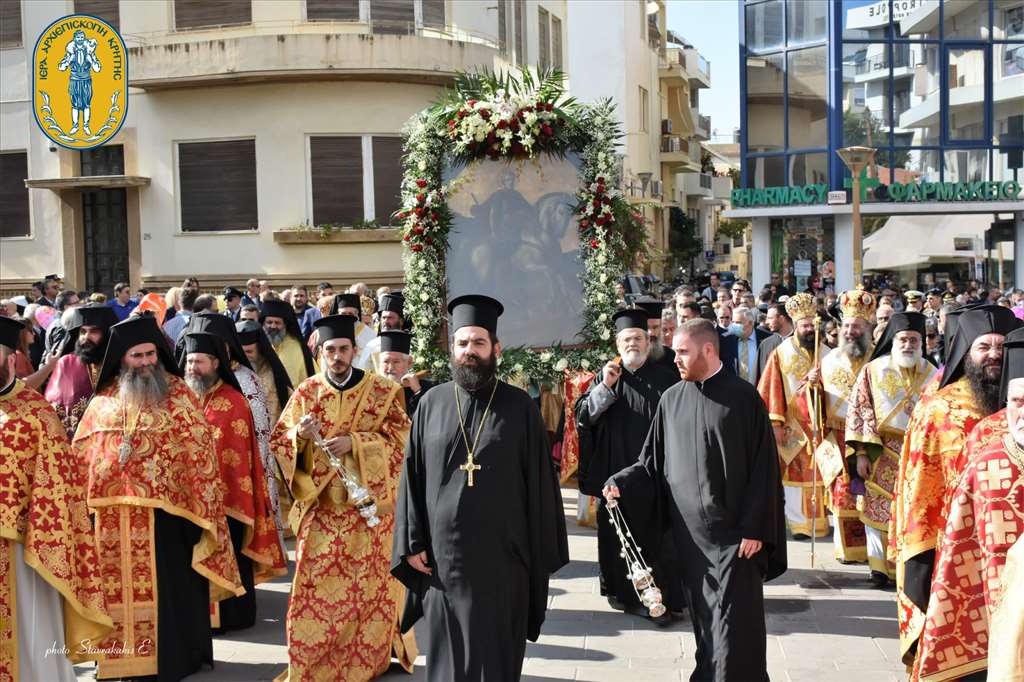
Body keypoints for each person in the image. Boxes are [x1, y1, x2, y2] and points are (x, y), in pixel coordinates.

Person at [391, 295, 569, 681]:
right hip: (443, 562)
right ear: (452, 348)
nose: (469, 351)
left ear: (495, 349)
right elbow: (411, 477)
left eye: (478, 342)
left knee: (496, 660)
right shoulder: (431, 403)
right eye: (462, 343)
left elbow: (541, 486)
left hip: (504, 563)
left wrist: (536, 555)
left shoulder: (520, 407)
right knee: (448, 663)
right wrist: (412, 541)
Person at [604, 318, 787, 681]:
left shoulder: (743, 398)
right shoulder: (672, 399)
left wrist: (755, 527)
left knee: (734, 630)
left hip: (736, 540)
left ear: (708, 349)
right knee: (706, 627)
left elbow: (764, 470)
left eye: (683, 352)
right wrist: (620, 481)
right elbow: (650, 462)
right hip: (690, 542)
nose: (676, 359)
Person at [72, 316, 243, 680]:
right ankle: (119, 660)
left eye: (151, 354)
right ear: (121, 358)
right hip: (111, 522)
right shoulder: (102, 401)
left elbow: (200, 453)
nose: (147, 362)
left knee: (172, 592)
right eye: (137, 356)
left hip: (171, 520)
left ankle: (176, 658)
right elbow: (82, 456)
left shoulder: (179, 396)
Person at [270, 314, 415, 678]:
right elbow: (280, 442)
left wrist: (357, 443)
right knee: (312, 592)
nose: (337, 356)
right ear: (320, 352)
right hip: (320, 509)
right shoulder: (306, 393)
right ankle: (312, 663)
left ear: (354, 351)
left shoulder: (381, 391)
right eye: (330, 350)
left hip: (368, 514)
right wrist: (300, 437)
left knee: (367, 592)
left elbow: (404, 442)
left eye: (343, 349)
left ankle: (364, 663)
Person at [890, 305, 1020, 666]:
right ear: (967, 352)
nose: (994, 355)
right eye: (984, 347)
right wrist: (921, 561)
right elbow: (920, 488)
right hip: (959, 551)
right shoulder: (940, 409)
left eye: (1001, 347)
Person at [0, 317, 113, 682]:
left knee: (29, 637)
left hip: (22, 552)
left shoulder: (36, 415)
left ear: (12, 359)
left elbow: (60, 490)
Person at [575, 307, 681, 622]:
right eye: (626, 340)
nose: (632, 344)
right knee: (619, 538)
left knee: (658, 536)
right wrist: (605, 387)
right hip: (614, 475)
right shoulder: (607, 376)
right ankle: (626, 595)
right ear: (618, 345)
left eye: (637, 338)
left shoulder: (666, 378)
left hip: (655, 474)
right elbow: (584, 417)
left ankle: (664, 596)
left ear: (648, 342)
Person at [182, 332, 286, 631]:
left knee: (233, 557)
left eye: (199, 362)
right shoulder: (183, 400)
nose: (192, 368)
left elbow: (238, 453)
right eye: (189, 362)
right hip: (191, 499)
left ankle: (235, 616)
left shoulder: (234, 401)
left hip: (229, 499)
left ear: (216, 363)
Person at [845, 312, 937, 587]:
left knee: (909, 510)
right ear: (893, 341)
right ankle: (877, 568)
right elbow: (861, 410)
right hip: (880, 449)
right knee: (875, 507)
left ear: (921, 343)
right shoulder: (873, 370)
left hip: (917, 452)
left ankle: (902, 567)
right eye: (903, 340)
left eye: (914, 340)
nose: (908, 345)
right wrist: (862, 453)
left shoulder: (933, 373)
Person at [757, 293, 830, 540]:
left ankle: (819, 523)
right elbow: (771, 388)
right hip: (793, 426)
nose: (809, 329)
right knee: (794, 475)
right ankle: (798, 524)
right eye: (804, 325)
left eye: (812, 325)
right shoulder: (781, 353)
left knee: (819, 474)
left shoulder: (827, 353)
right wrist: (775, 424)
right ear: (796, 325)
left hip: (821, 425)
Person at [816, 290, 875, 565]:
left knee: (870, 494)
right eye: (847, 326)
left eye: (857, 327)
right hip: (838, 437)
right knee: (842, 495)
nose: (851, 332)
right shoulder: (828, 360)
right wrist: (813, 387)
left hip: (871, 438)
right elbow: (813, 401)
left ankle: (873, 552)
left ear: (867, 328)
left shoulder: (878, 360)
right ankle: (847, 550)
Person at [44, 303, 119, 439]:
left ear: (108, 335)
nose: (86, 337)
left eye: (94, 332)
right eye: (83, 331)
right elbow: (53, 405)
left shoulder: (121, 365)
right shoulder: (66, 363)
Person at [237, 319, 293, 424]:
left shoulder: (273, 374)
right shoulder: (231, 373)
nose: (244, 357)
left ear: (260, 350)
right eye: (241, 352)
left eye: (249, 352)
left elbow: (289, 407)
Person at [377, 329, 434, 417]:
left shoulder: (427, 389)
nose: (390, 368)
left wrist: (418, 391)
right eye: (386, 361)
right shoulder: (371, 388)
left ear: (409, 363)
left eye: (396, 362)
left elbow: (428, 419)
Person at [262, 299, 316, 388]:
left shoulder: (296, 348)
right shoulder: (258, 345)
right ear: (263, 324)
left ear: (285, 325)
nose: (273, 326)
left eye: (277, 323)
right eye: (269, 322)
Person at [361, 292, 406, 373]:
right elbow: (362, 371)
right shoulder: (372, 345)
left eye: (390, 317)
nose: (385, 321)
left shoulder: (411, 345)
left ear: (401, 321)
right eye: (383, 318)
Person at [634, 296, 677, 371]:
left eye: (655, 327)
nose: (651, 333)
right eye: (646, 327)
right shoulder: (626, 358)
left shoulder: (671, 357)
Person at [731, 305, 769, 385]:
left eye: (738, 322)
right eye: (733, 322)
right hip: (735, 388)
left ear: (751, 323)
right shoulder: (728, 340)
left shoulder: (766, 339)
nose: (734, 325)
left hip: (760, 386)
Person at [756, 303, 793, 384]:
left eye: (770, 318)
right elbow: (759, 377)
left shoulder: (801, 342)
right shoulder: (765, 344)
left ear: (781, 319)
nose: (766, 322)